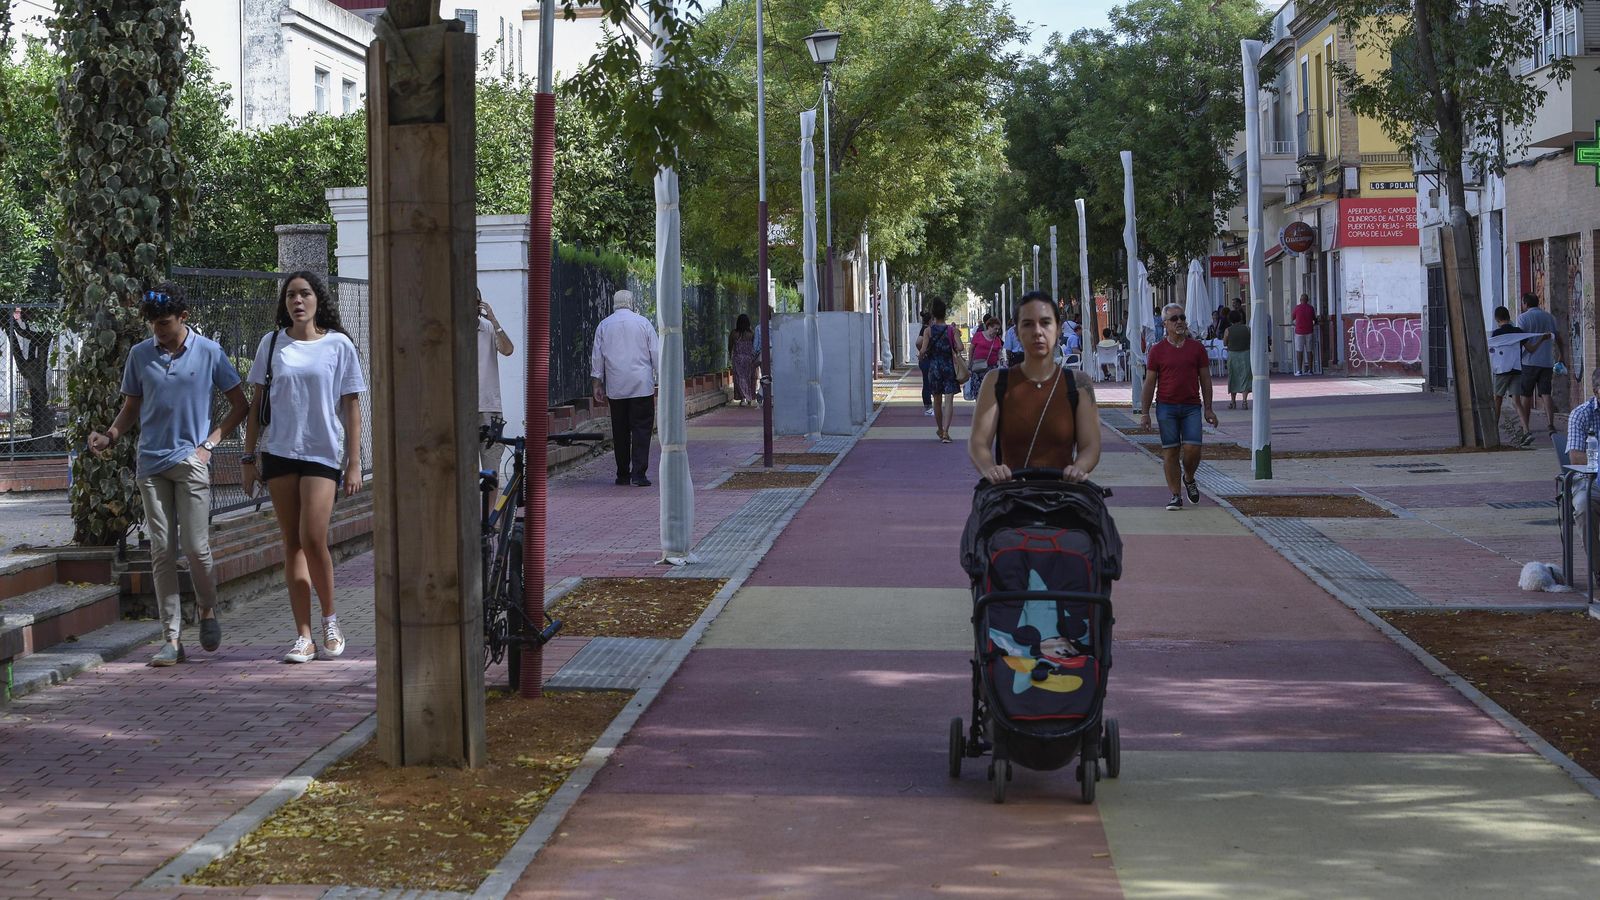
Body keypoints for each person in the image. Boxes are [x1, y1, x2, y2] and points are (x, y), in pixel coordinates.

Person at [88, 284, 248, 666]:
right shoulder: (140, 355)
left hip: (191, 462)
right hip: (151, 464)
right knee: (161, 550)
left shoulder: (209, 351)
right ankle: (172, 639)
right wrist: (109, 436)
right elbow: (131, 407)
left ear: (183, 318)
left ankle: (208, 610)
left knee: (195, 547)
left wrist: (208, 446)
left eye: (164, 324)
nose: (158, 331)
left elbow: (241, 405)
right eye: (153, 325)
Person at [243, 271, 366, 664]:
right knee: (291, 543)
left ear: (318, 300)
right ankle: (303, 636)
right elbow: (255, 407)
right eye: (291, 295)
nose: (298, 301)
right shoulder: (272, 343)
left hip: (322, 453)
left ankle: (331, 620)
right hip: (280, 452)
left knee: (313, 538)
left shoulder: (338, 344)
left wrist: (354, 463)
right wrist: (248, 458)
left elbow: (351, 405)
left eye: (305, 294)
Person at [969, 291, 1102, 484]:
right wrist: (990, 469)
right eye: (1028, 324)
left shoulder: (1080, 383)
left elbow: (1091, 445)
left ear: (1058, 330)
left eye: (1046, 323)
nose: (1037, 332)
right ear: (1016, 332)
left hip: (1062, 498)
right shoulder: (996, 381)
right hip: (1012, 497)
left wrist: (1079, 468)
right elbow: (979, 442)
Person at [1139, 303, 1218, 511]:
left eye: (1182, 317)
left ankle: (1189, 477)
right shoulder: (1157, 351)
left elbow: (1205, 379)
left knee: (1193, 449)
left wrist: (1208, 408)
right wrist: (1145, 412)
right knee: (1170, 451)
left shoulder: (1197, 348)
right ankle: (1175, 495)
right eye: (1174, 319)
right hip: (1166, 407)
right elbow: (1149, 383)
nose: (1180, 321)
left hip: (1192, 406)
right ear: (1165, 324)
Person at [592, 289, 659, 487]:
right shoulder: (643, 323)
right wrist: (661, 377)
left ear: (614, 303)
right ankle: (639, 474)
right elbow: (655, 352)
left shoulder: (604, 325)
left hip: (616, 386)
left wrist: (597, 382)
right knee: (641, 429)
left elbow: (598, 356)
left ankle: (622, 473)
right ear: (631, 302)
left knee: (620, 430)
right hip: (641, 385)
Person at [476, 288, 514, 507]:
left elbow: (508, 350)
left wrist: (494, 320)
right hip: (461, 410)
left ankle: (491, 519)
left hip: (489, 408)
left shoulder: (489, 329)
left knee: (491, 469)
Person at [1515, 291, 1565, 444]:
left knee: (1526, 395)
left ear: (1525, 303)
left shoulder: (1522, 318)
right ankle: (1551, 425)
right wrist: (1561, 355)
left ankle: (1525, 428)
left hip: (1529, 362)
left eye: (1523, 303)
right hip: (1546, 362)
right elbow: (1558, 337)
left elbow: (1521, 339)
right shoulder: (1549, 317)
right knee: (1546, 394)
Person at [916, 298, 964, 443]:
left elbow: (923, 349)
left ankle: (940, 429)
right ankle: (946, 432)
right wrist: (956, 339)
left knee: (936, 400)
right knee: (949, 401)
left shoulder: (928, 331)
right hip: (949, 367)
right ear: (945, 313)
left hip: (934, 368)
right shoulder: (951, 330)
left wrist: (921, 354)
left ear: (933, 314)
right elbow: (960, 347)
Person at [1486, 305, 1526, 443]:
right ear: (1509, 317)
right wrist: (1542, 339)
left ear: (1497, 319)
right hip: (1516, 370)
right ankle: (1526, 430)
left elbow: (1492, 350)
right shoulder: (1518, 332)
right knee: (1517, 402)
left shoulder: (1496, 334)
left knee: (1497, 400)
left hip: (1502, 371)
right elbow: (1530, 348)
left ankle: (1493, 430)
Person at [967, 315, 1003, 402]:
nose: (997, 331)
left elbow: (999, 352)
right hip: (978, 368)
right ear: (989, 327)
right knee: (978, 392)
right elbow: (971, 349)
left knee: (990, 392)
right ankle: (979, 411)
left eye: (998, 329)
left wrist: (1001, 360)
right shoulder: (978, 336)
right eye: (995, 328)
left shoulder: (997, 339)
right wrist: (970, 362)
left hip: (991, 369)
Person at [1224, 309, 1251, 410]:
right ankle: (1244, 401)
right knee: (1245, 377)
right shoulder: (1247, 329)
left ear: (1230, 319)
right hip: (1245, 355)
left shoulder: (1228, 330)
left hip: (1233, 355)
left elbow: (1224, 343)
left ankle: (1233, 402)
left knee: (1233, 377)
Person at [728, 313, 757, 407]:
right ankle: (749, 398)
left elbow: (730, 346)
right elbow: (754, 346)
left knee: (739, 379)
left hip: (738, 359)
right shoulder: (751, 334)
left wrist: (730, 355)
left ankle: (742, 399)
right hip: (749, 359)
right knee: (749, 378)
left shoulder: (734, 333)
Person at [1292, 294, 1316, 376]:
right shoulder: (1311, 308)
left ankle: (1299, 370)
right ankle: (1310, 370)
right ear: (1307, 300)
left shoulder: (1297, 308)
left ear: (1300, 300)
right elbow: (1314, 319)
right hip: (1309, 331)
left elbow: (1292, 318)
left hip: (1299, 332)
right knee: (1309, 351)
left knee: (1299, 351)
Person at [917, 310, 935, 416]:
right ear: (930, 320)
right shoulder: (927, 330)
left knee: (927, 383)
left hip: (925, 359)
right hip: (928, 359)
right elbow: (918, 342)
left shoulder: (924, 329)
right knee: (928, 383)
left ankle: (929, 407)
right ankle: (929, 407)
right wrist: (924, 352)